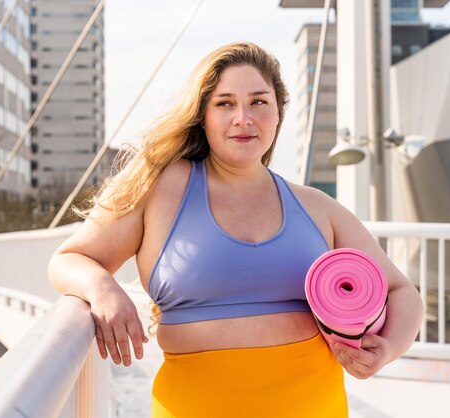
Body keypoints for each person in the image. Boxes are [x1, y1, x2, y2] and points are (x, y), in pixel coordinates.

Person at [48, 41, 423, 417]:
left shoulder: (316, 207)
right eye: (224, 103)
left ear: (278, 113)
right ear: (203, 116)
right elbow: (70, 259)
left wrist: (387, 348)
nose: (243, 118)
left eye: (259, 102)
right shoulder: (160, 188)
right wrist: (103, 289)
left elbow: (401, 291)